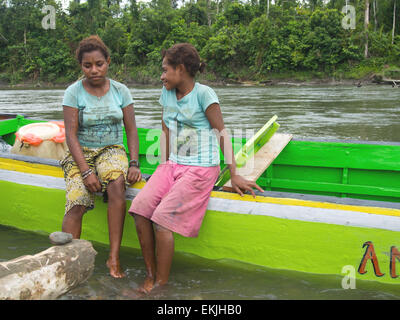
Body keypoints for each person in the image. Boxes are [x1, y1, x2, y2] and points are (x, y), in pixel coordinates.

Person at [128, 43, 263, 293]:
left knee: (162, 222)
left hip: (201, 168)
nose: (161, 76)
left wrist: (234, 174)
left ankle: (160, 284)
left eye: (165, 70)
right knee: (139, 210)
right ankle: (150, 273)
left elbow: (222, 133)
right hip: (173, 165)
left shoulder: (204, 95)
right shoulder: (166, 93)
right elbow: (166, 129)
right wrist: (163, 168)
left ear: (180, 69)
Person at [60, 35, 142, 278]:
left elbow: (131, 129)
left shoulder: (121, 91)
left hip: (112, 149)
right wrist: (86, 171)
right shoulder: (73, 93)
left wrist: (134, 162)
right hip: (80, 151)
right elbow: (71, 135)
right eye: (87, 65)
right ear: (81, 66)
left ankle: (113, 258)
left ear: (108, 62)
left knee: (117, 184)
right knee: (77, 199)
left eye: (99, 64)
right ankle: (68, 262)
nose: (94, 70)